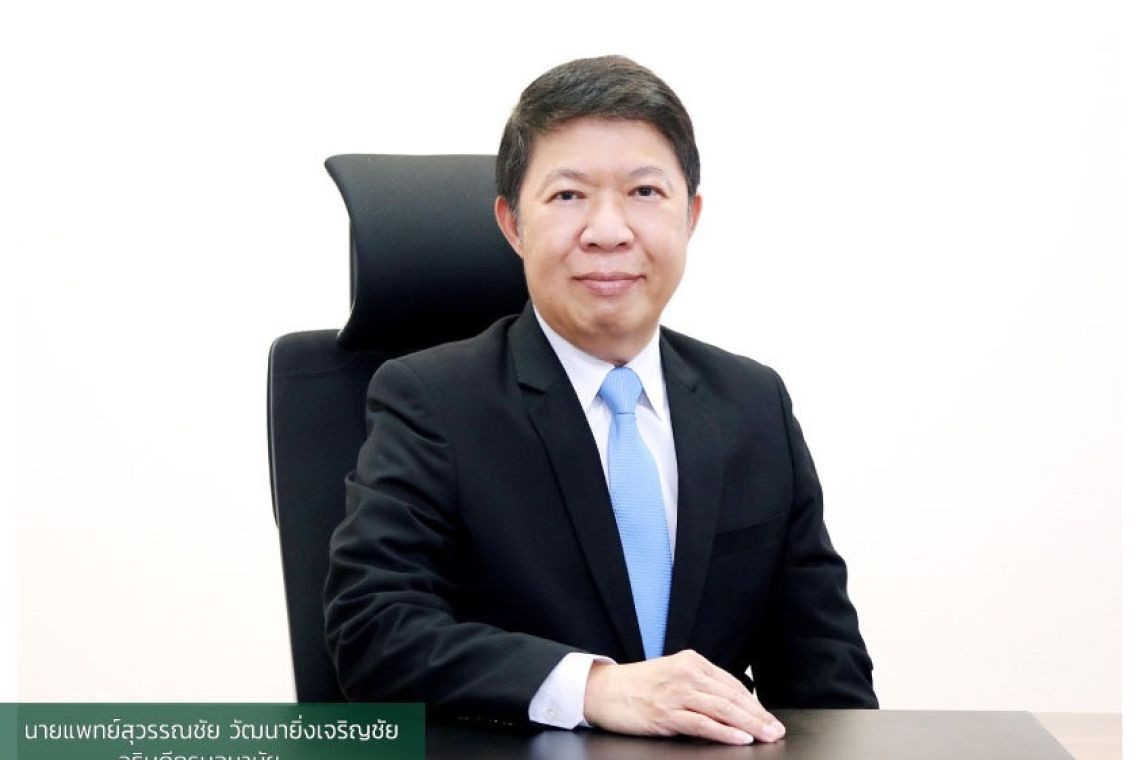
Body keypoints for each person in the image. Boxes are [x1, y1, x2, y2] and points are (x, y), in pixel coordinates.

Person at [324, 55, 876, 746]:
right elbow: (375, 630)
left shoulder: (752, 403)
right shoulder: (431, 401)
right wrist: (593, 687)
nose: (608, 230)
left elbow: (826, 679)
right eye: (568, 196)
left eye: (645, 191)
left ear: (690, 215)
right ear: (512, 224)